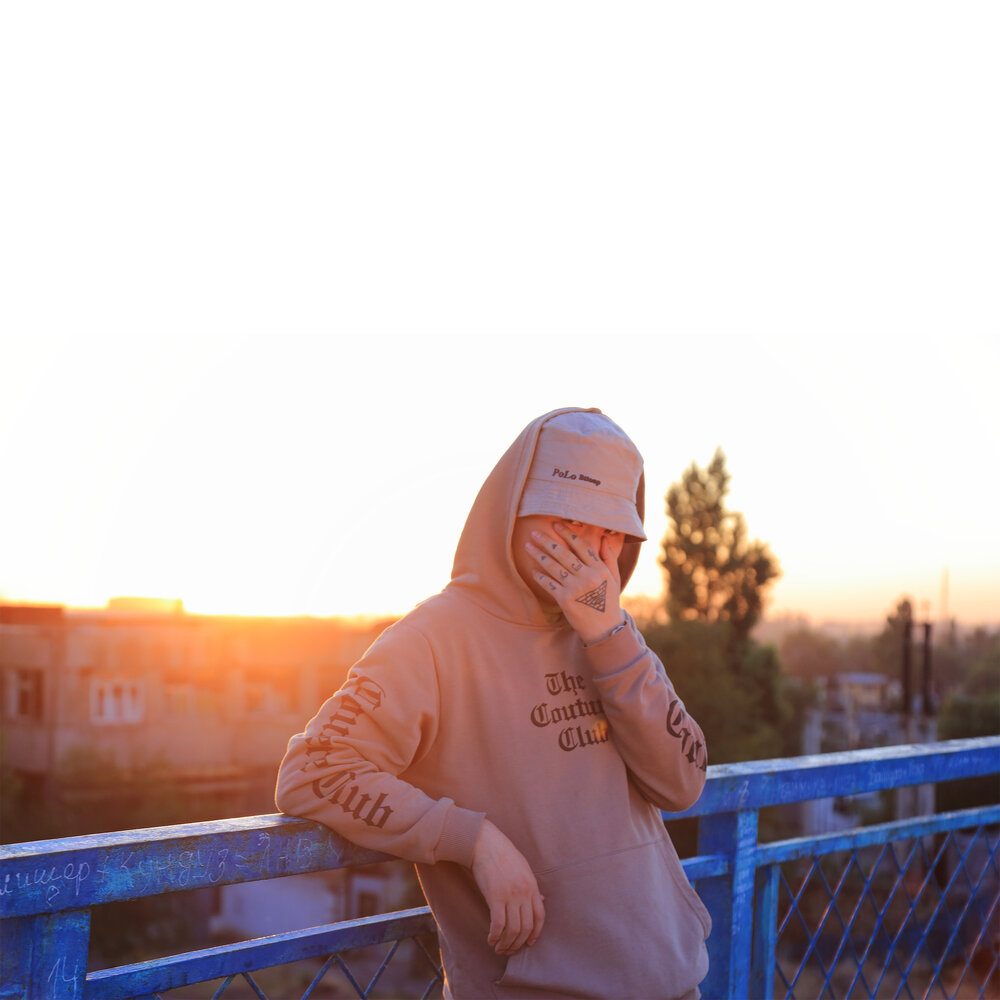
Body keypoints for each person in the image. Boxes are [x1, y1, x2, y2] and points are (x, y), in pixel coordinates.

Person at [276, 407, 711, 999]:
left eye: (611, 531)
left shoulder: (611, 631)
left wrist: (610, 636)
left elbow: (684, 783)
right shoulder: (432, 639)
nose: (588, 548)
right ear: (511, 511)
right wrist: (473, 840)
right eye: (567, 519)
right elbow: (314, 770)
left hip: (673, 982)